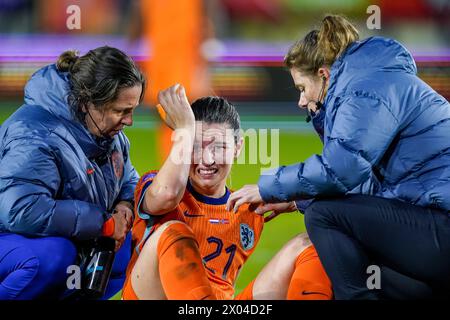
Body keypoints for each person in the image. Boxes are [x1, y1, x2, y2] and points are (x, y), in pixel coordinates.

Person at [226, 14, 450, 299]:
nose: (301, 101)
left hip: (441, 229)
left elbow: (341, 170)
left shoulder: (365, 89)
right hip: (435, 229)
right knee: (348, 246)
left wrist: (267, 187)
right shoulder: (372, 80)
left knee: (324, 216)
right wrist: (295, 199)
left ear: (323, 74)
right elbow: (367, 185)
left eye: (301, 89)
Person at [121, 85, 332, 300]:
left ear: (238, 147)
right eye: (196, 146)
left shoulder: (247, 210)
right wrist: (184, 129)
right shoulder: (154, 185)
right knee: (173, 231)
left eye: (219, 147)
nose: (208, 160)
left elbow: (343, 200)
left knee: (310, 243)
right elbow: (166, 195)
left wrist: (296, 202)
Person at [0, 46, 145, 300]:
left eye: (132, 110)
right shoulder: (33, 133)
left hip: (51, 237)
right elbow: (21, 209)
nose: (129, 121)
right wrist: (104, 223)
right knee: (56, 256)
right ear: (88, 102)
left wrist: (125, 205)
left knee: (128, 248)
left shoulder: (108, 134)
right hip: (10, 236)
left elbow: (129, 179)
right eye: (121, 111)